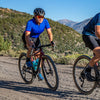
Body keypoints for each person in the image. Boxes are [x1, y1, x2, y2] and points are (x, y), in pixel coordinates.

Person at [24, 8, 54, 80]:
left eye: (42, 17)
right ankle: (28, 60)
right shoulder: (30, 22)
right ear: (35, 16)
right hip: (28, 37)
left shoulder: (45, 22)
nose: (40, 18)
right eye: (39, 17)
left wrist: (51, 41)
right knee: (31, 48)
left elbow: (49, 32)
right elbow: (27, 35)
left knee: (39, 54)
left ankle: (39, 72)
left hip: (36, 38)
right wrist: (29, 43)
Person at [82, 13, 100, 81]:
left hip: (98, 37)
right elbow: (97, 32)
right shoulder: (99, 16)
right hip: (88, 35)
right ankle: (87, 70)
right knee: (99, 53)